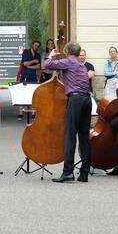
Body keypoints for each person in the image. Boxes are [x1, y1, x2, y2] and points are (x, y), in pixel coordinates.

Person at [43, 40, 94, 183]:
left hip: (76, 100)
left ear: (68, 52)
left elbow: (47, 65)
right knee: (84, 137)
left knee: (70, 136)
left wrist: (51, 55)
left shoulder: (70, 61)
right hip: (87, 100)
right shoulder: (81, 65)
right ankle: (84, 173)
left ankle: (68, 172)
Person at [17, 39, 42, 119]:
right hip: (25, 76)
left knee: (33, 95)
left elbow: (38, 66)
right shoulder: (26, 52)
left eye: (38, 46)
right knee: (22, 94)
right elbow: (24, 63)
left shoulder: (38, 55)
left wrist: (29, 66)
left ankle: (33, 113)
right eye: (35, 45)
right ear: (32, 44)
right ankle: (20, 113)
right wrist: (34, 61)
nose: (36, 47)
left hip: (33, 77)